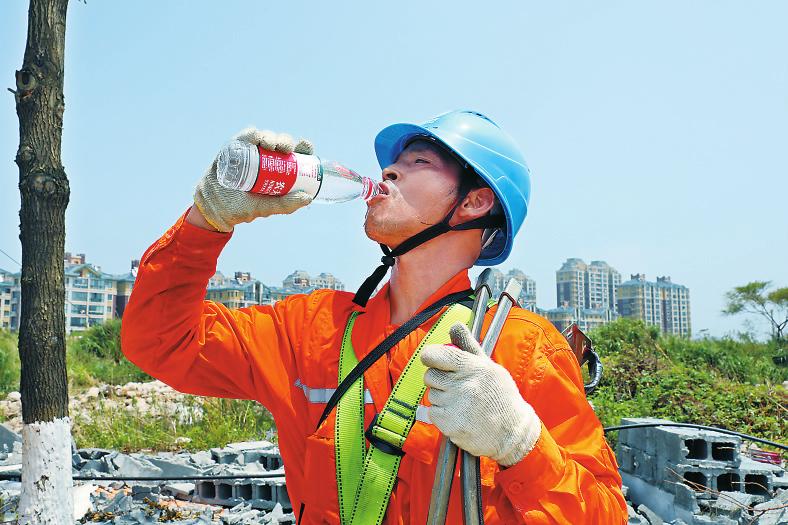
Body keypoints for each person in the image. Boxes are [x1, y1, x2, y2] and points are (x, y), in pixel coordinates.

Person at [121, 110, 627, 524]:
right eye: (391, 164)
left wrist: (522, 443)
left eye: (418, 161)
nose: (387, 171)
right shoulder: (311, 329)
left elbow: (604, 515)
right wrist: (207, 219)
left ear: (474, 202)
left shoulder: (519, 350)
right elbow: (161, 341)